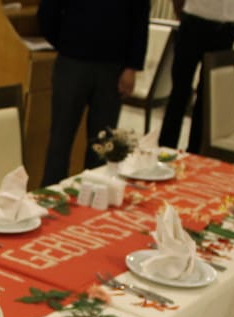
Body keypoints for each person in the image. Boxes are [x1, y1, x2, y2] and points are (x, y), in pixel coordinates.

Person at [38, 0, 150, 186]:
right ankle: (51, 194)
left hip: (113, 68)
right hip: (72, 61)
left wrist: (132, 66)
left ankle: (94, 195)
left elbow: (140, 19)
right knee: (60, 137)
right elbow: (48, 12)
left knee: (103, 144)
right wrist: (65, 42)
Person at [158, 0, 234, 152]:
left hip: (225, 29)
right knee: (179, 93)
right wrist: (182, 15)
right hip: (193, 23)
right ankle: (165, 149)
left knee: (207, 97)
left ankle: (195, 152)